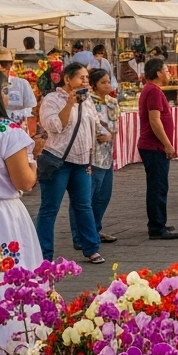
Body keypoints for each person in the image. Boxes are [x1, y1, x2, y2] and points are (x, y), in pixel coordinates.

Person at [0, 66, 44, 355]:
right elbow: (25, 181)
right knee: (6, 281)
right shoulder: (5, 130)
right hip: (1, 216)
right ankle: (7, 350)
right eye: (3, 90)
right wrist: (35, 157)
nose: (7, 96)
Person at [35, 61, 105, 264]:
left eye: (86, 78)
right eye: (81, 77)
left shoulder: (87, 99)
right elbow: (55, 126)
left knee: (84, 206)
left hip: (82, 162)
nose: (86, 81)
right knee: (50, 208)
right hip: (58, 161)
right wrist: (70, 103)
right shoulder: (52, 100)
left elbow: (93, 123)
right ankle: (44, 254)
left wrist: (100, 136)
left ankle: (91, 248)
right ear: (67, 79)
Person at [69, 68, 119, 248]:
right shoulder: (87, 101)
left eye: (108, 81)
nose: (107, 85)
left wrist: (110, 135)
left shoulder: (113, 102)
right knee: (84, 199)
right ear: (94, 85)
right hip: (91, 156)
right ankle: (79, 236)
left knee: (102, 196)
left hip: (107, 154)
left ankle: (94, 230)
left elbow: (115, 125)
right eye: (103, 82)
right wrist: (100, 133)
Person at [138, 58, 178, 241]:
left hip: (154, 146)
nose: (168, 73)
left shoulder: (153, 90)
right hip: (153, 146)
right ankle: (157, 227)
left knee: (158, 186)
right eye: (166, 70)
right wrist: (167, 144)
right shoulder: (153, 91)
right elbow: (155, 120)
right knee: (158, 187)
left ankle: (158, 221)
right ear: (158, 73)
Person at [0, 48, 36, 127]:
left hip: (18, 129)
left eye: (4, 63)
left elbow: (32, 109)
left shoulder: (22, 84)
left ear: (11, 64)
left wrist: (11, 115)